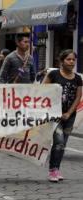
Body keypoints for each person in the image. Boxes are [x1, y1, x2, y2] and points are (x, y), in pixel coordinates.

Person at [43, 49, 82, 182]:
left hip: (69, 116)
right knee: (58, 142)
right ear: (62, 61)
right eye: (68, 59)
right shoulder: (53, 74)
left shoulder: (77, 78)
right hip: (55, 116)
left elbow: (78, 97)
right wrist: (53, 110)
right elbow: (43, 92)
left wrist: (69, 113)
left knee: (62, 144)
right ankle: (52, 170)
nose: (71, 62)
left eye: (73, 60)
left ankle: (56, 169)